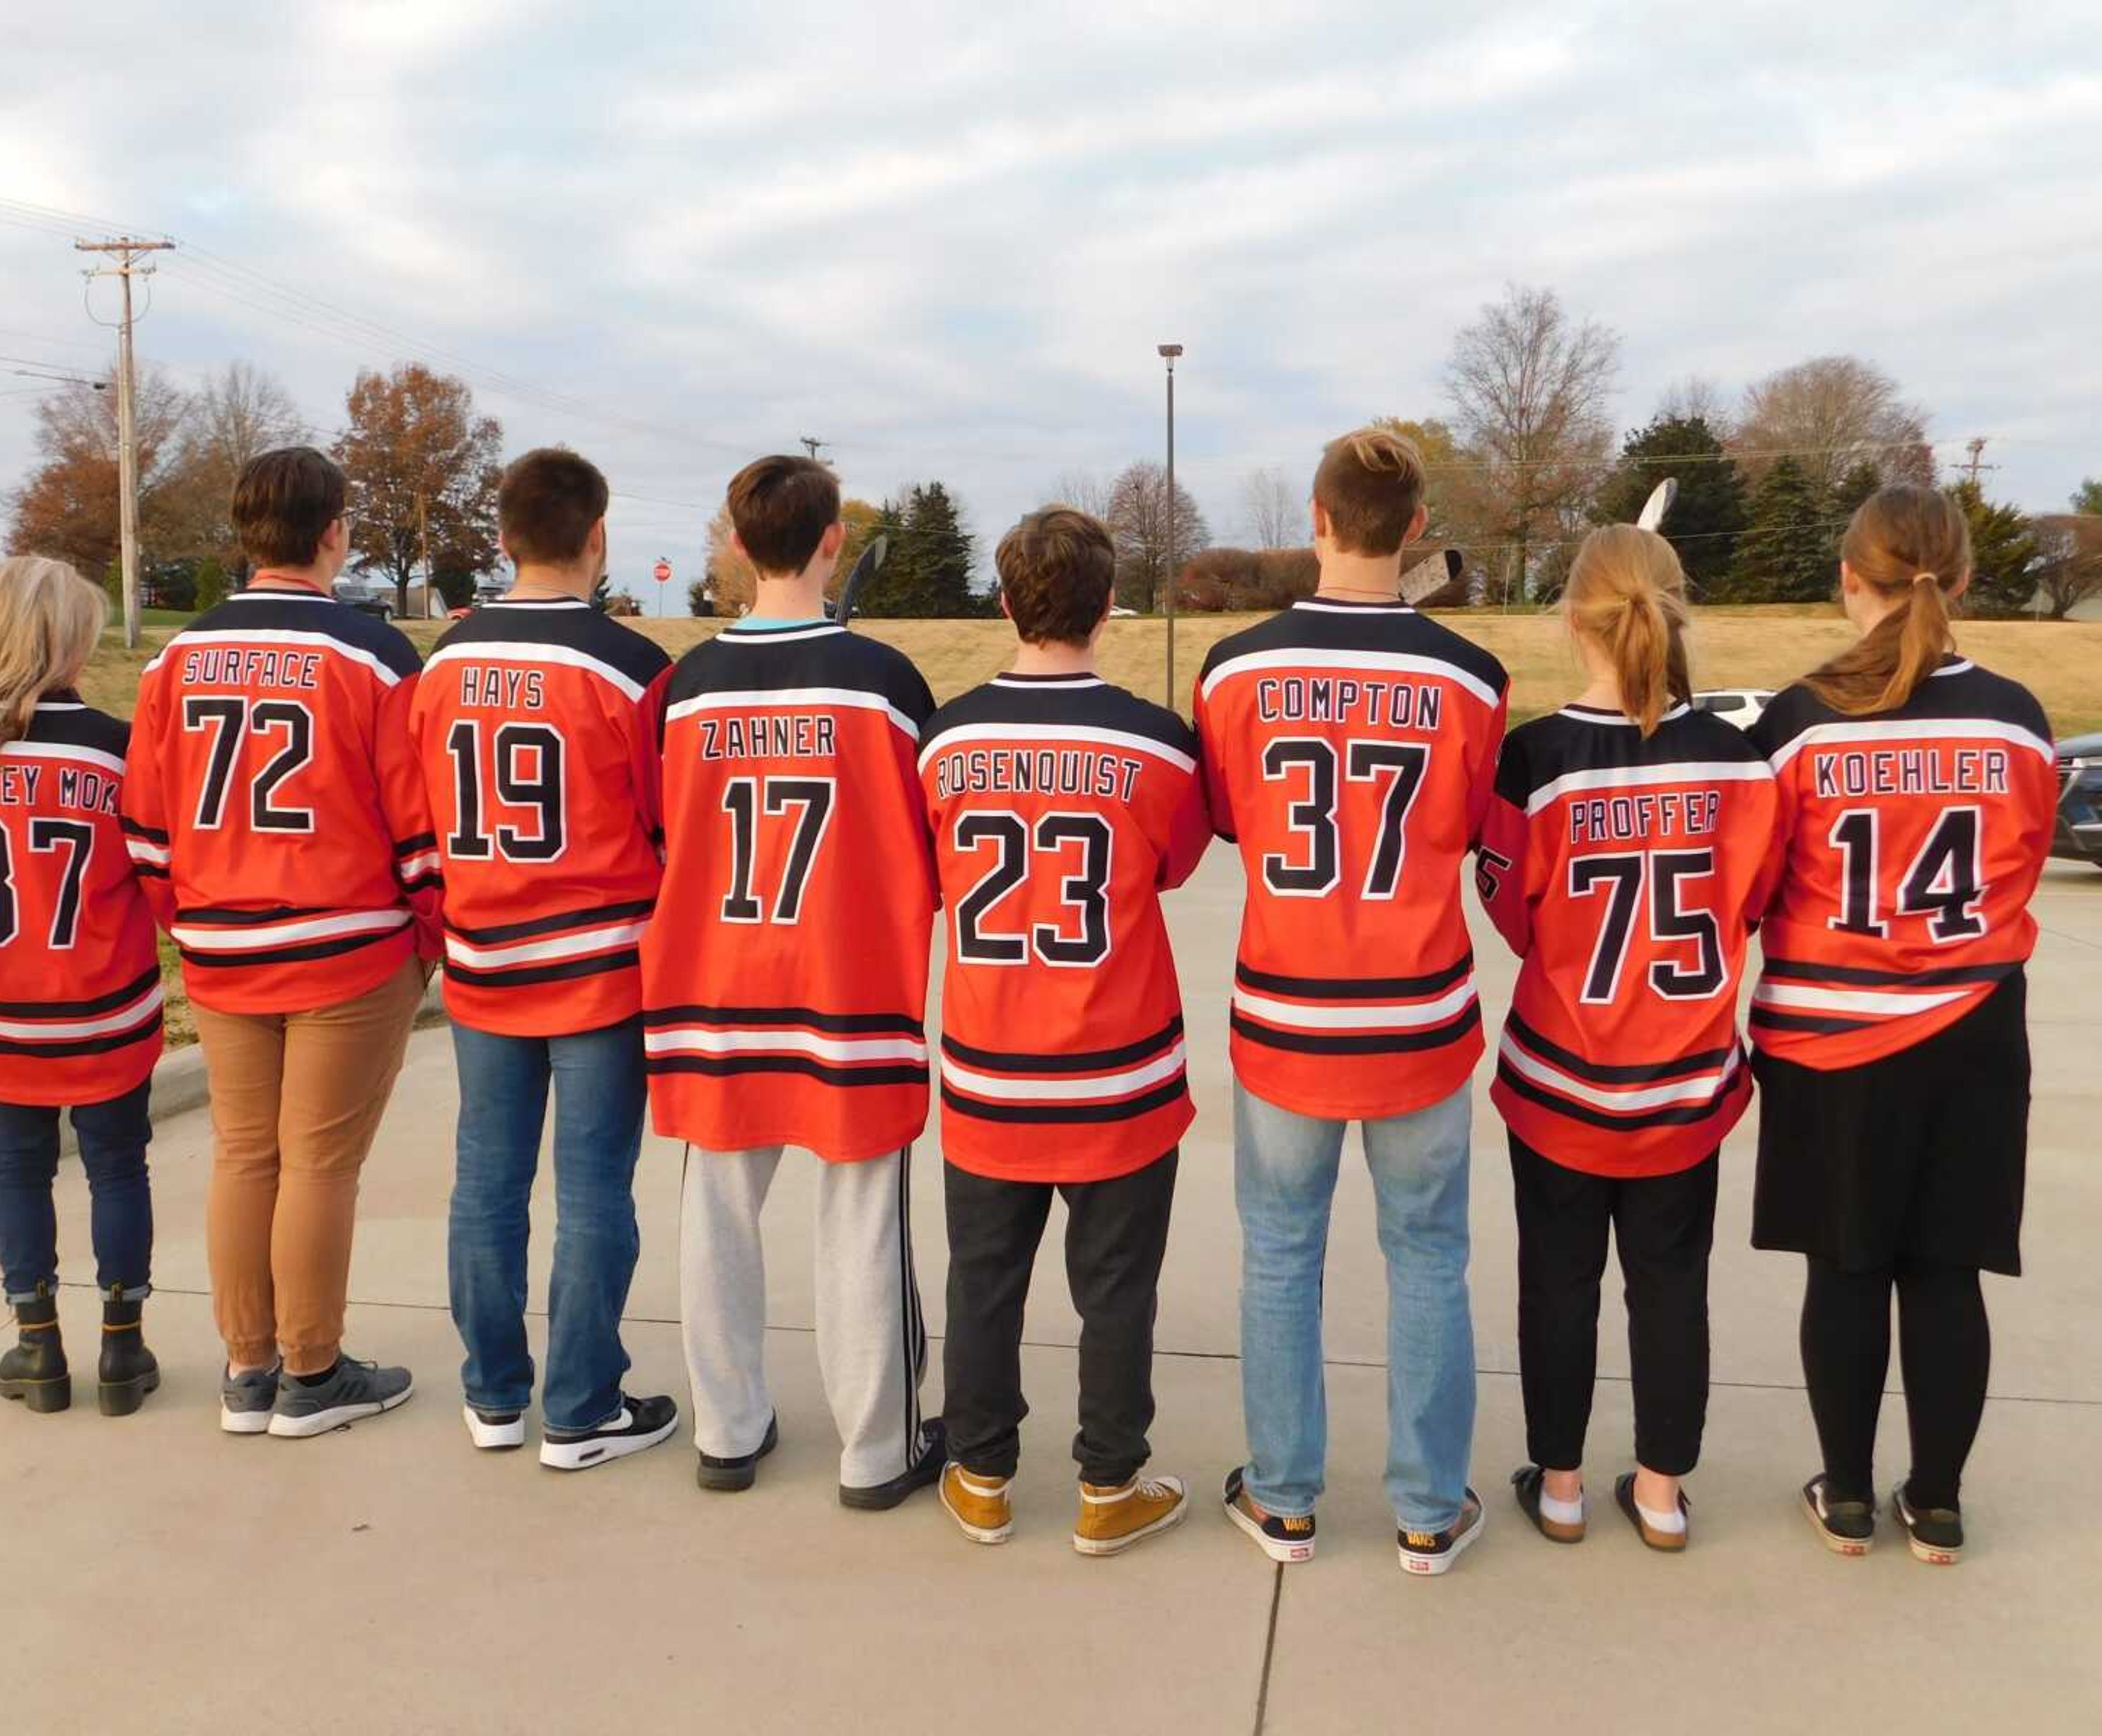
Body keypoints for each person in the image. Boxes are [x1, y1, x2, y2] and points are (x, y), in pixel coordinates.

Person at [1195, 427, 1509, 1574]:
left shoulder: (1235, 667)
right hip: (1420, 1011)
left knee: (1281, 1254)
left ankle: (1284, 1499)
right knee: (1429, 1255)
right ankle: (1428, 1509)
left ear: (1317, 520)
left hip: (1289, 1011)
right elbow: (1475, 825)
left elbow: (1231, 816)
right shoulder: (1471, 676)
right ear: (1415, 528)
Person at [1746, 485, 2056, 1566]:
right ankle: (1937, 1502)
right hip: (1972, 1029)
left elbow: (1757, 878)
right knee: (1945, 1271)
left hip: (1834, 1033)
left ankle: (1845, 1496)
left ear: (1849, 578)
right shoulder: (2016, 716)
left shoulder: (1800, 719)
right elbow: (2022, 856)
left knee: (1843, 1268)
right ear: (1964, 581)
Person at [641, 454, 943, 1506]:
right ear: (833, 542)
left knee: (716, 1209)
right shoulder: (888, 683)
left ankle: (727, 1429)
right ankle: (876, 1448)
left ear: (732, 544)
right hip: (848, 982)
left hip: (714, 979)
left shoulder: (681, 689)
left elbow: (661, 830)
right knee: (863, 1214)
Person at [1474, 526, 1783, 1552]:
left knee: (1557, 1279)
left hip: (1562, 1075)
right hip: (1686, 1084)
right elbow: (1754, 904)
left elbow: (1513, 919)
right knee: (1671, 1283)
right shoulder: (1742, 762)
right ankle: (1659, 1491)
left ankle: (1558, 1484)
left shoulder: (1536, 757)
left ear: (1573, 620)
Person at [122, 447, 441, 1439]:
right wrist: (425, 941)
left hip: (225, 938)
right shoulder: (375, 655)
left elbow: (144, 820)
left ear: (245, 532)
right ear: (334, 531)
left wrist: (194, 918)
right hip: (345, 940)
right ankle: (311, 1369)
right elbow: (416, 821)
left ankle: (247, 1366)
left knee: (243, 1155)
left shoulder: (175, 658)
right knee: (317, 1166)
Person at [920, 508, 1212, 1555]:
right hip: (1120, 1067)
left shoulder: (945, 739)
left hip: (992, 1065)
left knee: (983, 1279)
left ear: (1005, 602)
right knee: (1118, 1289)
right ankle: (1108, 1483)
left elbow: (937, 880)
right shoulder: (1156, 741)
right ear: (1106, 608)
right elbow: (1175, 865)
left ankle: (982, 1473)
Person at [410, 447, 679, 1468]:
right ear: (597, 537)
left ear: (506, 538)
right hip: (600, 961)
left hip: (483, 956)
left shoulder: (440, 664)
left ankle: (494, 1394)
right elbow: (668, 824)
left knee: (485, 1181)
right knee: (594, 1189)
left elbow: (423, 815)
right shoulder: (630, 668)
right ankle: (581, 1403)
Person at [0, 556, 164, 1417]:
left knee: (17, 1172)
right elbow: (145, 868)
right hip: (102, 999)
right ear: (77, 637)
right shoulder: (113, 743)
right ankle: (122, 1351)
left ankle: (36, 1347)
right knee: (117, 1167)